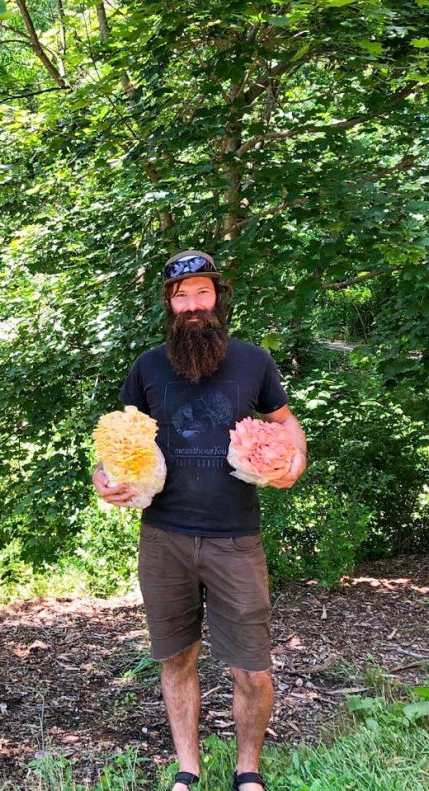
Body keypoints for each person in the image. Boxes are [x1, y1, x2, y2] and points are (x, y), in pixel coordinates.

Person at [92, 249, 307, 791]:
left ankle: (248, 769)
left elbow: (287, 425)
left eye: (201, 293)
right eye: (181, 296)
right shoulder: (148, 367)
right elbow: (119, 440)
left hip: (235, 538)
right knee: (175, 656)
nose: (192, 305)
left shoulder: (253, 362)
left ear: (217, 299)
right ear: (170, 305)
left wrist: (294, 462)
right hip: (164, 535)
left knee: (252, 666)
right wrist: (103, 474)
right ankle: (187, 768)